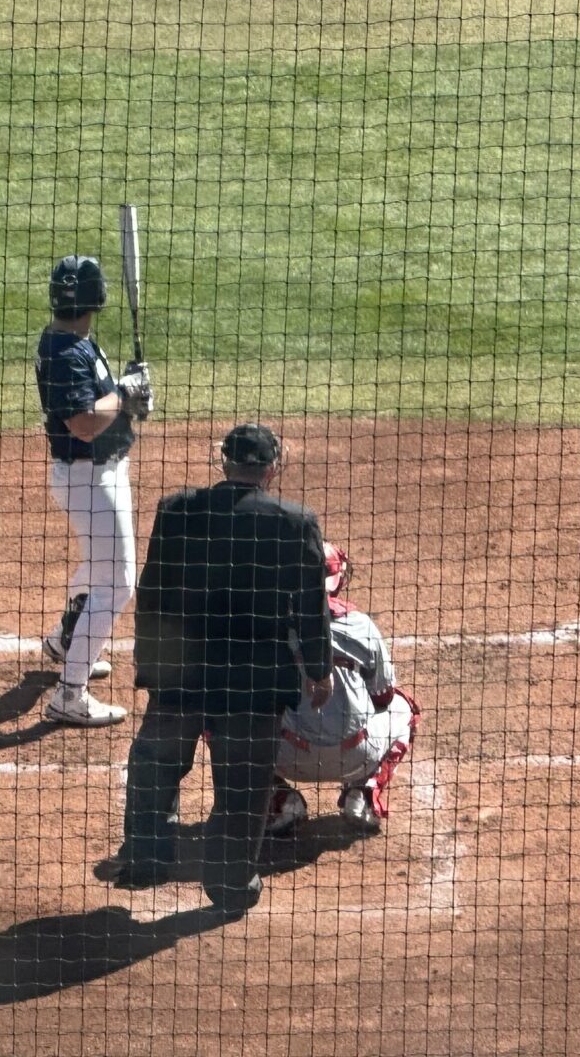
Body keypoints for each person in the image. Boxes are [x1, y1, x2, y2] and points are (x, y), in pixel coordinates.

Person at [94, 422, 334, 913]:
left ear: (221, 461)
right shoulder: (295, 522)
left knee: (154, 768)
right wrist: (319, 669)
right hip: (256, 679)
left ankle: (145, 862)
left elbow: (154, 591)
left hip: (184, 672)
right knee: (243, 787)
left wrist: (150, 664)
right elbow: (312, 607)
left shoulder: (178, 510)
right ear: (272, 468)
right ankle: (230, 886)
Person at [35, 253, 152, 729]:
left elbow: (101, 405)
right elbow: (83, 424)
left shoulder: (73, 340)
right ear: (97, 297)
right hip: (89, 478)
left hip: (99, 475)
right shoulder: (65, 353)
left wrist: (130, 396)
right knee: (119, 582)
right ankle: (70, 694)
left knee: (98, 564)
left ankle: (66, 640)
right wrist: (125, 394)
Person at [263, 544, 420, 837]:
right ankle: (362, 795)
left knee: (218, 716)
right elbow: (383, 696)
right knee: (405, 708)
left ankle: (280, 802)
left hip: (285, 754)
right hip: (356, 753)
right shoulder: (361, 626)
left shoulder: (267, 626)